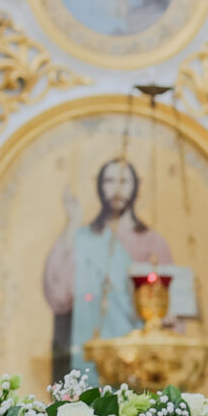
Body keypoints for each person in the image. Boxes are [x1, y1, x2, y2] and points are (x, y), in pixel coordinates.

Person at [40, 158, 183, 383]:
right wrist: (73, 222)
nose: (117, 189)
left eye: (124, 181)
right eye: (109, 180)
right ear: (99, 186)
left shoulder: (152, 242)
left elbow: (174, 307)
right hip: (90, 360)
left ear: (136, 187)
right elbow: (59, 294)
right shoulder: (83, 238)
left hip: (139, 366)